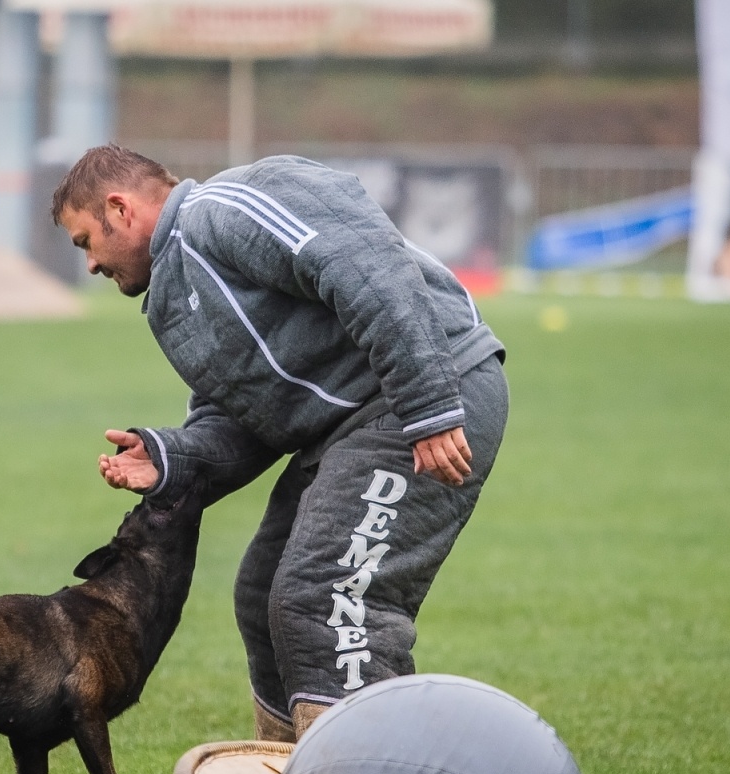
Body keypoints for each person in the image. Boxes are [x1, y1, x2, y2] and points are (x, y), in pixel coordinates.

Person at [51, 146, 508, 742]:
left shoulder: (231, 205)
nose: (89, 265)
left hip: (429, 392)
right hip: (352, 424)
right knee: (263, 593)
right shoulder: (169, 303)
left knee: (324, 593)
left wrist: (427, 405)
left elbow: (367, 267)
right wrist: (170, 456)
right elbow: (242, 418)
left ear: (120, 207)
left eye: (86, 241)